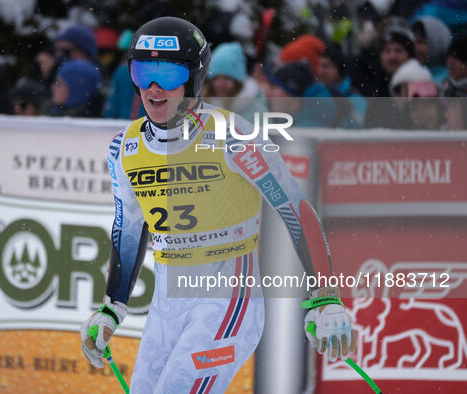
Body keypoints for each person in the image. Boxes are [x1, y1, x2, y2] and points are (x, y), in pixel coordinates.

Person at [80, 17, 356, 393]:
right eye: (143, 72)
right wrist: (113, 306)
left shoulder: (232, 135)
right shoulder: (125, 148)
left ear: (194, 78)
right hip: (166, 307)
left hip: (227, 302)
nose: (154, 88)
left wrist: (324, 297)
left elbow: (296, 210)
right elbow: (128, 230)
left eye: (168, 74)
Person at [204, 42, 268, 124]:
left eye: (227, 78)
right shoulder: (201, 106)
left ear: (238, 81)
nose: (221, 84)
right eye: (216, 78)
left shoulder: (256, 110)